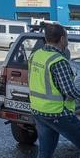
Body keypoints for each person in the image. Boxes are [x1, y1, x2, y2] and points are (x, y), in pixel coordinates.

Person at [29, 23, 80, 157]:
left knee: (45, 152)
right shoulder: (59, 61)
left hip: (38, 110)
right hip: (57, 113)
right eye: (67, 38)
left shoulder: (36, 55)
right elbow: (70, 92)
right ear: (62, 39)